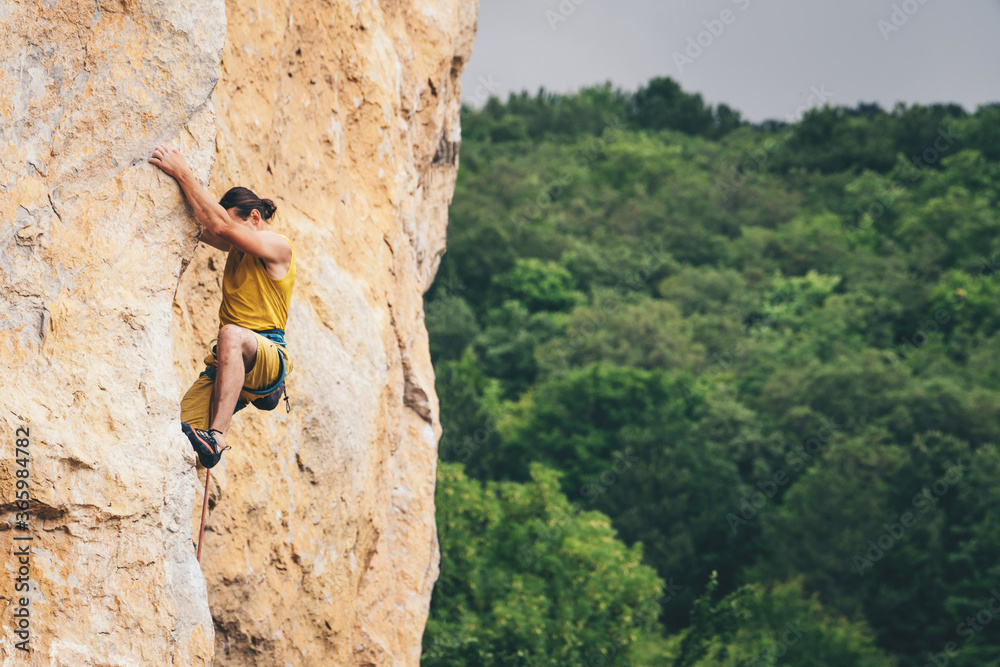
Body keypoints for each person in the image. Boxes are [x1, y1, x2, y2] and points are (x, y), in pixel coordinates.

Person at [148, 145, 296, 468]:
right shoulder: (239, 248)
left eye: (235, 224)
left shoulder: (278, 247)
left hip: (267, 353)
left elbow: (219, 226)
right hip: (234, 361)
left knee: (230, 335)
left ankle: (216, 437)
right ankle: (199, 450)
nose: (231, 236)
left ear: (254, 218)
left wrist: (183, 172)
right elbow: (203, 225)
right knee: (174, 425)